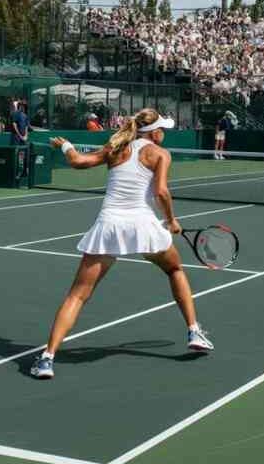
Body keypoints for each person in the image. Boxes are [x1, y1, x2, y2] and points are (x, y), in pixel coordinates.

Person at [29, 109, 213, 380]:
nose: (165, 133)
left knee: (77, 295)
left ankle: (47, 359)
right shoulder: (160, 154)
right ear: (155, 132)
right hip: (143, 226)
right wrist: (172, 221)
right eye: (164, 128)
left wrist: (65, 145)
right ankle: (193, 331)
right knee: (175, 270)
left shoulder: (115, 148)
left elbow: (78, 162)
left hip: (109, 226)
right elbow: (161, 191)